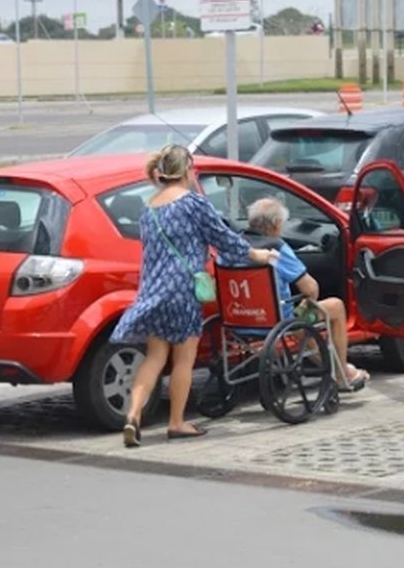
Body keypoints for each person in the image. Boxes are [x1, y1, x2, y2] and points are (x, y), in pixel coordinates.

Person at [112, 144, 280, 448]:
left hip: (153, 290)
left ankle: (133, 415)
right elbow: (222, 237)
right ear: (187, 170)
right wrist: (257, 254)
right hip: (183, 290)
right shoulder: (193, 203)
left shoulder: (149, 208)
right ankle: (176, 423)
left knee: (154, 357)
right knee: (183, 360)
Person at [244, 197, 370, 390]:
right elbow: (310, 288)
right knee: (334, 306)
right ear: (276, 224)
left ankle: (335, 367)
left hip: (239, 318)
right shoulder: (276, 248)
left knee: (303, 319)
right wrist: (306, 304)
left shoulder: (236, 245)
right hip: (276, 319)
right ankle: (342, 373)